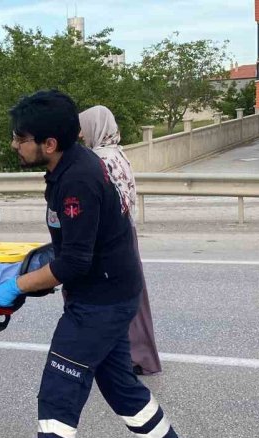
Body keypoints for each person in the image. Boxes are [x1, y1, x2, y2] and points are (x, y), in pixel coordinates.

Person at [0, 90, 205, 438]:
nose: (14, 144)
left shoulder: (78, 180)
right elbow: (75, 243)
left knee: (57, 397)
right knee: (123, 390)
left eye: (21, 138)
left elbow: (74, 263)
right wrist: (34, 268)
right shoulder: (69, 167)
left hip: (99, 304)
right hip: (111, 293)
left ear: (49, 143)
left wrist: (16, 287)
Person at [79, 105, 162, 377]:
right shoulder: (119, 153)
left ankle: (126, 357)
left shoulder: (99, 160)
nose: (81, 134)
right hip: (127, 232)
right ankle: (141, 354)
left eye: (84, 127)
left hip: (111, 236)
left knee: (111, 296)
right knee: (133, 295)